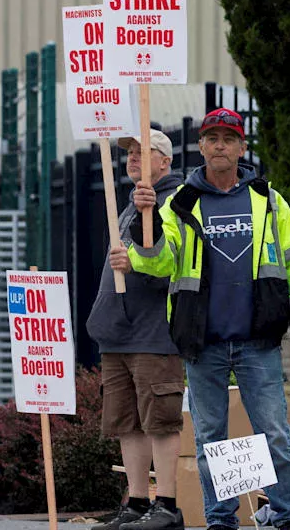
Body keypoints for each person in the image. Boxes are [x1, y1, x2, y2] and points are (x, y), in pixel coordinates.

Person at [112, 107, 290, 530]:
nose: (220, 145)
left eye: (229, 138)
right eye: (212, 138)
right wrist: (144, 225)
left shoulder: (268, 200)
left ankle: (288, 516)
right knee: (209, 441)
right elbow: (157, 263)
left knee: (274, 435)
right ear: (201, 146)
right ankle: (221, 519)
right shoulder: (181, 203)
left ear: (242, 147)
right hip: (201, 341)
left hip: (257, 338)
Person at [87, 128, 186, 530]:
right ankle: (137, 502)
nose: (133, 159)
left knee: (159, 419)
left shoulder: (175, 203)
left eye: (145, 153)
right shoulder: (128, 205)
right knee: (127, 422)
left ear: (165, 161)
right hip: (118, 333)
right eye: (130, 153)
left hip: (153, 333)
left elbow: (171, 261)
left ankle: (167, 505)